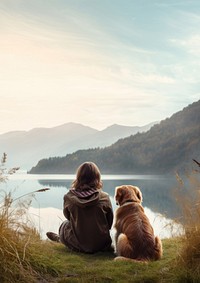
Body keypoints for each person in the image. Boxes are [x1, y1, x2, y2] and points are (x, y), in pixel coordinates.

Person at [46, 161, 114, 253]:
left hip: (80, 244)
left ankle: (60, 239)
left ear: (78, 177)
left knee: (65, 224)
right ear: (97, 178)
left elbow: (68, 217)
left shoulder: (69, 197)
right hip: (102, 244)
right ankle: (63, 240)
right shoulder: (105, 197)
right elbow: (109, 222)